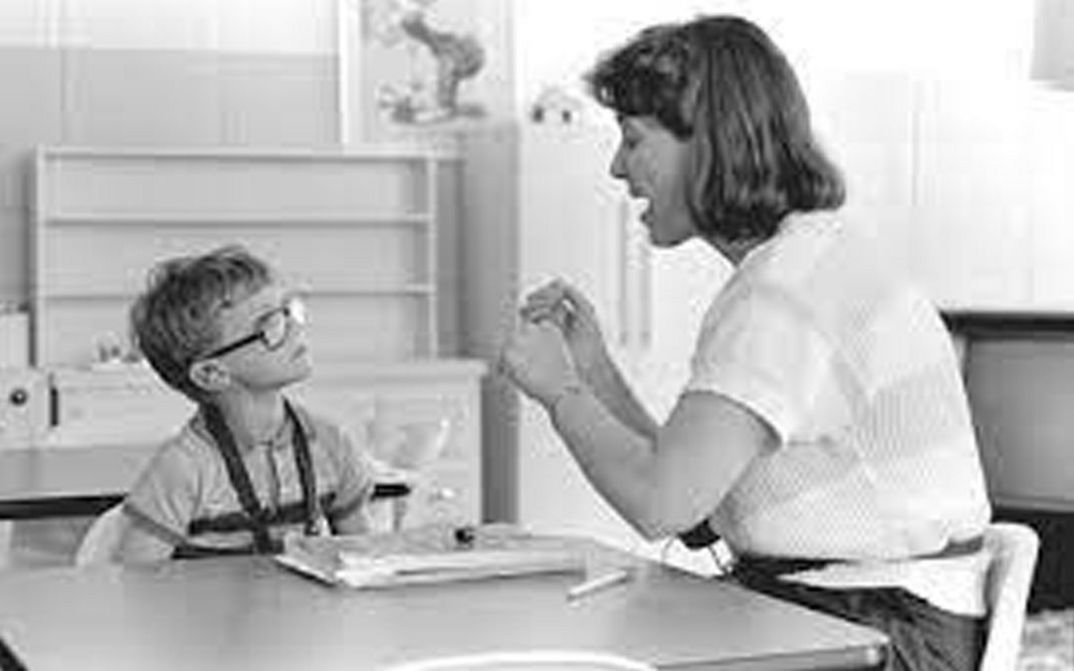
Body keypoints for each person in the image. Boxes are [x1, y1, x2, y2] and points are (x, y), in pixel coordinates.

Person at [498, 15, 992, 671]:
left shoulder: (784, 295)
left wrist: (561, 394)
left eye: (633, 140)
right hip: (862, 613)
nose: (618, 167)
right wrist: (592, 372)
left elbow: (659, 501)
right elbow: (692, 502)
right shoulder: (803, 262)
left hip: (884, 632)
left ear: (706, 143)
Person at [117, 245, 377, 562]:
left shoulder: (331, 443)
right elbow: (132, 587)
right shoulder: (184, 468)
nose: (295, 328)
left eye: (289, 311)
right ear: (212, 373)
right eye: (270, 327)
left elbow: (365, 562)